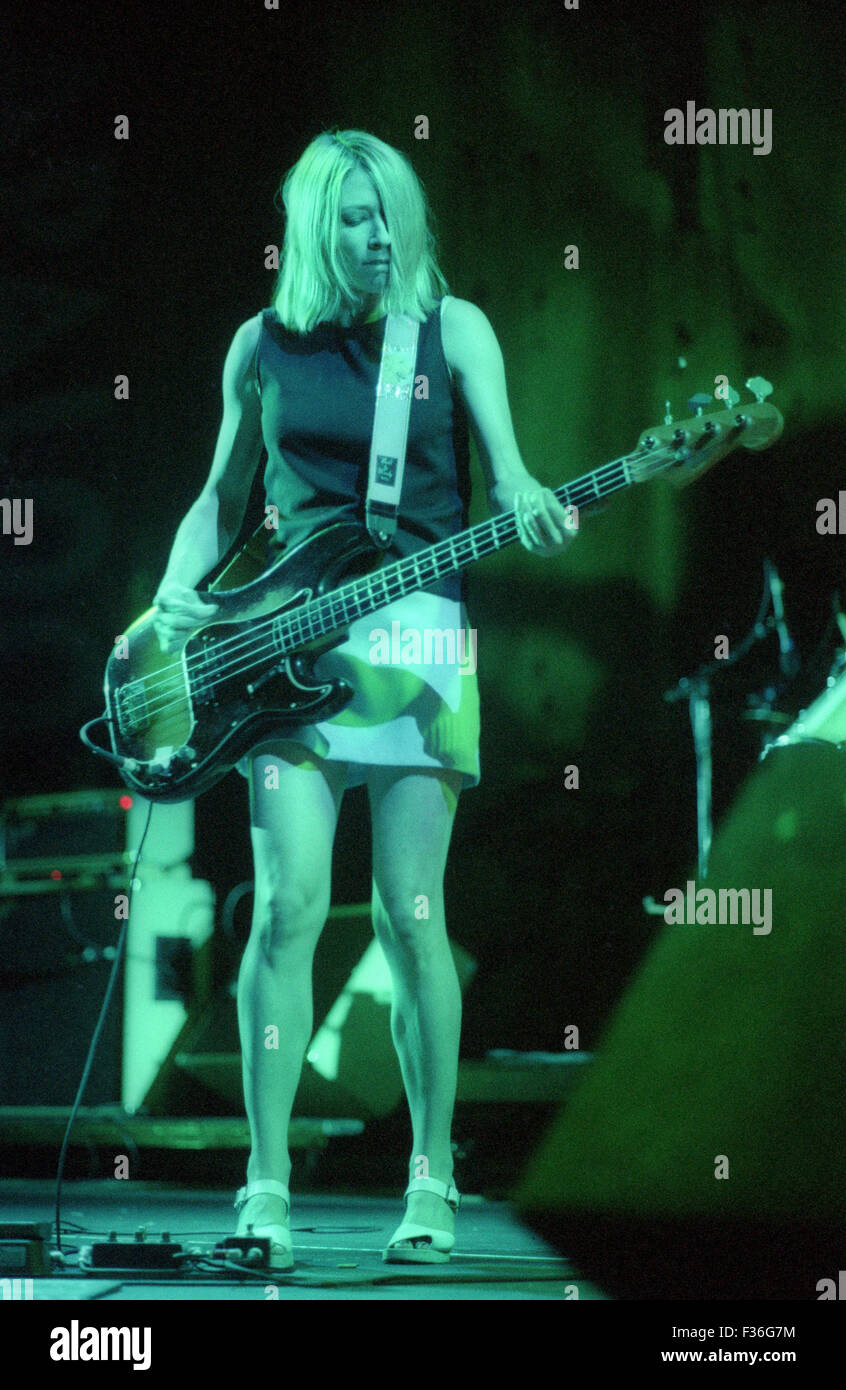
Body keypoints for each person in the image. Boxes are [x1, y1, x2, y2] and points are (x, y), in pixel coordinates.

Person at [151, 129, 576, 1268]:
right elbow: (218, 495)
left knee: (410, 913)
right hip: (283, 654)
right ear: (311, 225)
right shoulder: (263, 343)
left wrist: (532, 495)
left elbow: (515, 472)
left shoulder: (453, 330)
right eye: (354, 216)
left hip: (418, 646)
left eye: (392, 211)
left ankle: (430, 1180)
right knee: (287, 907)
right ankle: (267, 1183)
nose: (379, 233)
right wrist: (170, 597)